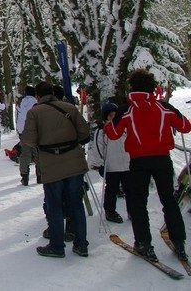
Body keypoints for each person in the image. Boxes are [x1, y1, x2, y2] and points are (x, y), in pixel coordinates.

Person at [103, 69, 191, 262]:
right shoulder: (163, 107)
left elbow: (113, 134)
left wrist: (108, 123)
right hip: (162, 160)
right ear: (152, 88)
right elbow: (186, 126)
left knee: (138, 202)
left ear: (132, 87)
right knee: (169, 201)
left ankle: (143, 242)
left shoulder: (125, 110)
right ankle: (179, 241)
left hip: (138, 162)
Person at [21, 81, 89, 258]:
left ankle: (57, 245)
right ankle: (81, 244)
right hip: (73, 161)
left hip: (50, 163)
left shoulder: (34, 112)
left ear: (37, 95)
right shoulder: (69, 108)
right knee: (76, 204)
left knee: (55, 205)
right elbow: (84, 133)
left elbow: (28, 140)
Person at [87, 100, 130, 223]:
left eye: (114, 115)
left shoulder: (124, 127)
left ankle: (132, 210)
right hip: (111, 166)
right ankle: (110, 211)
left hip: (127, 164)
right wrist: (101, 164)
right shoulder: (101, 131)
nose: (113, 117)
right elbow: (98, 148)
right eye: (110, 115)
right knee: (112, 189)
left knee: (130, 190)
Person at [16, 86, 38, 186]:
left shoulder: (20, 102)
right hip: (34, 130)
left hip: (22, 130)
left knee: (25, 153)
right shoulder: (36, 102)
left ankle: (24, 176)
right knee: (38, 152)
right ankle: (40, 175)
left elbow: (18, 115)